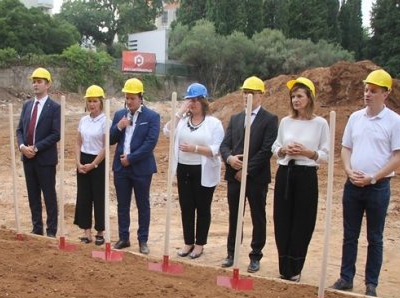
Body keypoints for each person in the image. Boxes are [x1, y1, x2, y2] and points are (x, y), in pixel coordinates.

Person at [331, 69, 400, 297]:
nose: (367, 94)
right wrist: (348, 170)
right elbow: (346, 148)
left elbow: (399, 156)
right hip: (353, 185)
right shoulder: (355, 118)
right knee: (350, 235)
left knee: (375, 237)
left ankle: (371, 283)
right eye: (366, 90)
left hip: (378, 187)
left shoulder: (394, 121)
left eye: (373, 91)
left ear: (385, 93)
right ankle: (346, 277)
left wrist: (374, 177)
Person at [271, 77, 329, 282]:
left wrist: (308, 152)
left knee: (302, 221)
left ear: (309, 98)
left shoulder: (320, 123)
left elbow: (326, 154)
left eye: (299, 96)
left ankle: (295, 267)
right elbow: (275, 147)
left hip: (306, 175)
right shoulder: (285, 122)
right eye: (293, 96)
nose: (295, 100)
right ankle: (283, 266)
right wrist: (283, 150)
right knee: (282, 219)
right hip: (286, 172)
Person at [220, 76, 278, 271]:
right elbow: (225, 145)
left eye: (251, 93)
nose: (247, 96)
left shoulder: (270, 119)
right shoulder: (236, 118)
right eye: (245, 93)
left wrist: (246, 169)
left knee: (257, 216)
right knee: (235, 215)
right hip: (234, 175)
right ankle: (232, 252)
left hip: (256, 177)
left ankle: (255, 255)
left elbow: (266, 150)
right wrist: (230, 159)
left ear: (261, 95)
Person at [164, 83, 224, 259]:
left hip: (203, 170)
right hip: (184, 168)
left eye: (196, 100)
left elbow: (217, 149)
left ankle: (200, 244)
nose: (193, 104)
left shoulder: (214, 123)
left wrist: (195, 149)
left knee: (203, 208)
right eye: (190, 100)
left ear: (204, 102)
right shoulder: (182, 121)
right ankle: (188, 242)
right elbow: (167, 132)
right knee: (187, 207)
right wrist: (179, 113)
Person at [109, 78, 160, 254]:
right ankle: (123, 237)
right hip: (121, 168)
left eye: (132, 98)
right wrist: (118, 127)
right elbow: (110, 140)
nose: (129, 101)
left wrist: (131, 158)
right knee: (122, 204)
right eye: (127, 98)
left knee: (142, 205)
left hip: (141, 168)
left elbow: (150, 143)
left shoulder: (152, 117)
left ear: (140, 98)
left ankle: (142, 240)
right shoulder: (119, 115)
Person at [16, 67, 61, 237]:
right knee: (33, 195)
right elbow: (20, 130)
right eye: (34, 81)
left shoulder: (54, 107)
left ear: (47, 84)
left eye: (39, 81)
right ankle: (37, 228)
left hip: (45, 159)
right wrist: (22, 147)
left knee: (49, 195)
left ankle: (51, 231)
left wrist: (36, 147)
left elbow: (56, 134)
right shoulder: (27, 105)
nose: (35, 84)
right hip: (28, 158)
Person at [74, 85, 108, 245]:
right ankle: (86, 232)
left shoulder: (106, 121)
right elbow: (78, 142)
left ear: (101, 102)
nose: (92, 104)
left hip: (98, 162)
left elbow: (106, 147)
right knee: (83, 196)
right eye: (89, 101)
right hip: (83, 159)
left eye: (95, 101)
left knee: (99, 197)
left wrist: (93, 164)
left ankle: (100, 231)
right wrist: (78, 162)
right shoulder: (83, 120)